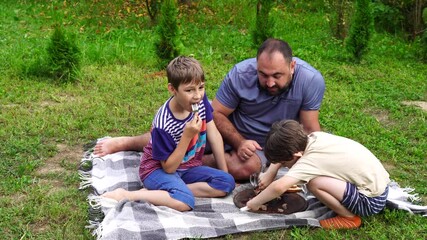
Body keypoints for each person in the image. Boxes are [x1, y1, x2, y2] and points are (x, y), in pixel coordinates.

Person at [94, 38, 326, 181]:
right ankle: (127, 143)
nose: (270, 82)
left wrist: (318, 162)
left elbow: (309, 128)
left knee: (249, 167)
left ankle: (185, 164)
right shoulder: (240, 74)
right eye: (263, 75)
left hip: (268, 146)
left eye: (277, 76)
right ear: (256, 66)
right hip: (231, 132)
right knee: (180, 132)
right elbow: (215, 114)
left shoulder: (310, 80)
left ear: (292, 66)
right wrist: (239, 142)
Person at [102, 56, 235, 212]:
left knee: (227, 182)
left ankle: (164, 193)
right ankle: (128, 195)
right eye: (189, 90)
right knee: (185, 202)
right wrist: (187, 136)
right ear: (172, 89)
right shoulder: (163, 124)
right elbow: (169, 169)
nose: (197, 95)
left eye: (201, 87)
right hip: (156, 170)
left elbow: (214, 135)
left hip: (187, 167)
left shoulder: (199, 101)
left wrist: (223, 171)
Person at [246, 120, 390, 229]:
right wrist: (270, 172)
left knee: (314, 183)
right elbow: (288, 154)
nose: (284, 166)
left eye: (284, 163)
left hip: (371, 201)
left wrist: (254, 203)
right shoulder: (313, 137)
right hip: (380, 187)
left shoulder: (309, 161)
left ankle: (349, 218)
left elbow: (279, 188)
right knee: (315, 178)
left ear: (296, 155)